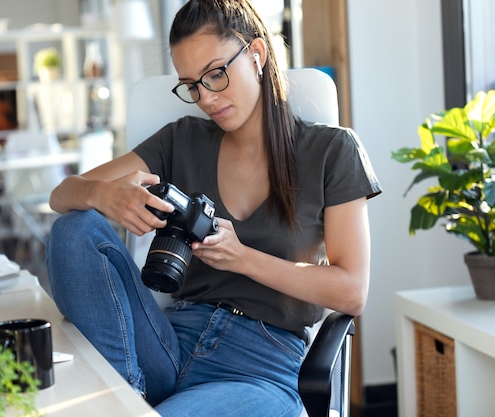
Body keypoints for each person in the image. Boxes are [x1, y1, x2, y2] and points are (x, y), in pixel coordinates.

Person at [46, 0, 381, 415]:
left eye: (216, 74)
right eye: (191, 85)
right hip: (167, 344)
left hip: (260, 368)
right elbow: (61, 195)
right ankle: (124, 398)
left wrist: (241, 258)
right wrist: (103, 195)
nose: (205, 97)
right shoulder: (180, 141)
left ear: (256, 54)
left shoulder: (332, 151)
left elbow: (352, 292)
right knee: (73, 230)